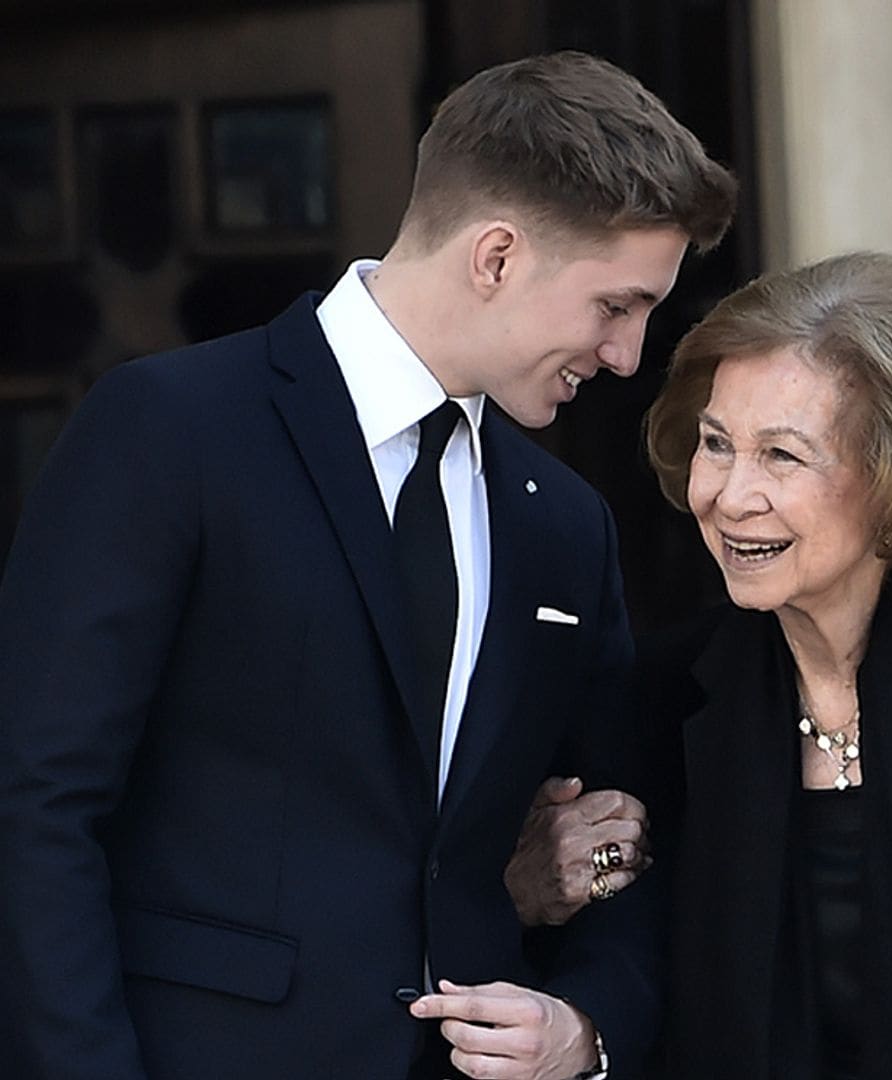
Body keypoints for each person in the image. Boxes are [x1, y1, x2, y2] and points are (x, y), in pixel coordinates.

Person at [0, 52, 737, 1080]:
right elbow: (36, 806)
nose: (626, 353)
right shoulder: (171, 430)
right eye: (616, 305)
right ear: (495, 257)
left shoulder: (567, 525)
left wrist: (588, 1026)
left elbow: (621, 831)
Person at [507, 250, 892, 1078]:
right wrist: (538, 894)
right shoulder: (655, 701)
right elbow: (611, 980)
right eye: (716, 444)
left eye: (782, 455)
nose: (731, 496)